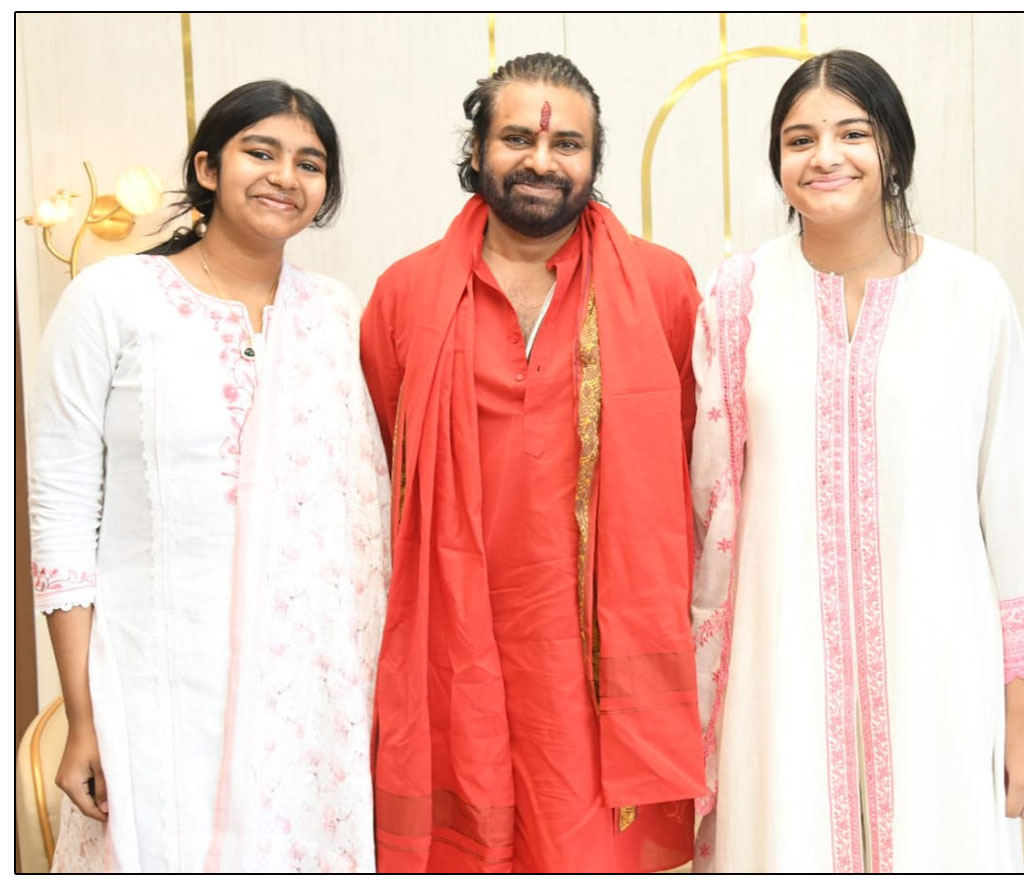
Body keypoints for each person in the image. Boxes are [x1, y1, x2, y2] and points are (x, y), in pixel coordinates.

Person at [689, 49, 1024, 873]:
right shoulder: (738, 299)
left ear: (893, 151)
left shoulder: (971, 296)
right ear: (778, 163)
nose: (824, 156)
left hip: (941, 655)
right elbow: (710, 509)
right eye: (799, 140)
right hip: (777, 664)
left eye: (852, 133)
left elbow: (1012, 500)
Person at [28, 80, 391, 872]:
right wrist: (84, 716)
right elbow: (58, 514)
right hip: (159, 680)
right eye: (259, 152)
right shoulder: (112, 300)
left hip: (309, 702)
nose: (284, 176)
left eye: (310, 163)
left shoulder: (337, 315)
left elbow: (365, 521)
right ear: (206, 167)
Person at [361, 52, 704, 873]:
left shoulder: (662, 286)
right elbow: (377, 468)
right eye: (517, 137)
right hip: (458, 639)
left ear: (594, 160)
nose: (543, 162)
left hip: (599, 653)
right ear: (477, 150)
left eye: (569, 145)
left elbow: (700, 463)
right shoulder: (403, 294)